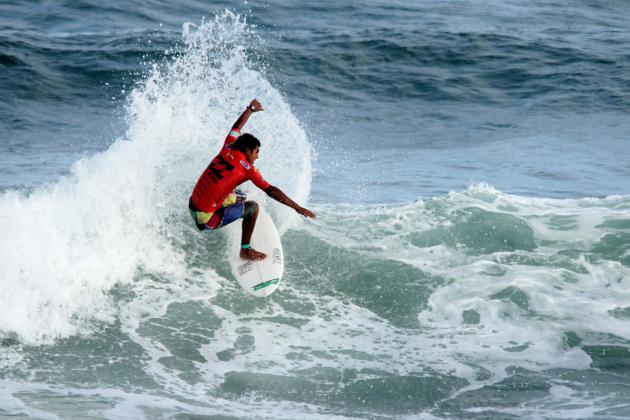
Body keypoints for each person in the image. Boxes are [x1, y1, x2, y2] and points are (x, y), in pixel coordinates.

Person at [189, 99, 316, 261]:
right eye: (256, 152)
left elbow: (236, 127)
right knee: (252, 208)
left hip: (192, 204)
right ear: (248, 150)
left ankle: (233, 211)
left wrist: (250, 109)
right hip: (205, 220)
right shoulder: (247, 169)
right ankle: (245, 250)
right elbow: (271, 190)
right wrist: (297, 207)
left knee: (240, 195)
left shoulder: (228, 145)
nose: (257, 156)